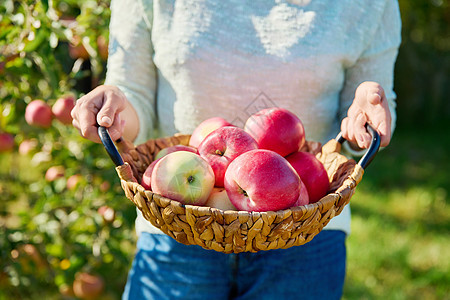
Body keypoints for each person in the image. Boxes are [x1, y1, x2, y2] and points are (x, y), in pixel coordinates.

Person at [71, 0, 401, 299]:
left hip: (303, 231)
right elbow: (134, 95)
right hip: (178, 223)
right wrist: (111, 114)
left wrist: (365, 117)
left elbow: (363, 112)